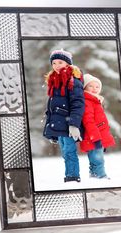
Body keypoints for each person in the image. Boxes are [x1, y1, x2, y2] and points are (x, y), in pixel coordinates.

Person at [43, 49, 85, 183]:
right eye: (54, 63)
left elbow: (78, 104)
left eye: (60, 62)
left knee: (70, 152)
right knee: (65, 153)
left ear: (67, 64)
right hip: (59, 125)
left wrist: (74, 124)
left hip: (68, 125)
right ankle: (69, 175)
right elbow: (52, 109)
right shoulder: (55, 82)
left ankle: (73, 177)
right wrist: (51, 130)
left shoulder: (73, 81)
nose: (56, 65)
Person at [80, 74, 116, 179]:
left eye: (97, 87)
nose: (94, 89)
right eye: (91, 86)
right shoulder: (88, 101)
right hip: (93, 137)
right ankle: (101, 176)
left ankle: (94, 175)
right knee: (98, 159)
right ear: (85, 87)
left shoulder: (95, 101)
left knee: (95, 158)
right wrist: (96, 139)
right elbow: (89, 121)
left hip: (97, 136)